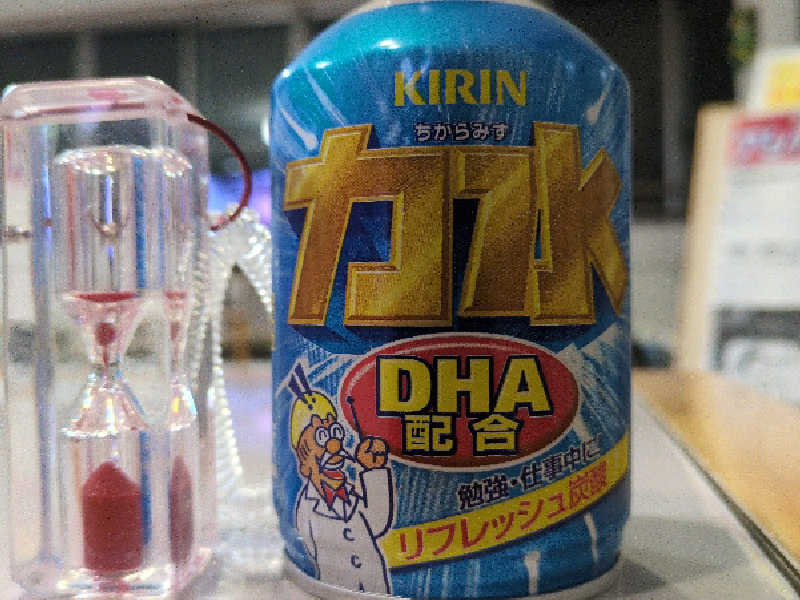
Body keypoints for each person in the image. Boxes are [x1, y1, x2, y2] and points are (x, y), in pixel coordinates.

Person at [289, 365, 394, 594]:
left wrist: (373, 470)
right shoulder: (307, 506)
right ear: (304, 460)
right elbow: (306, 544)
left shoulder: (350, 495)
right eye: (322, 437)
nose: (334, 445)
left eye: (335, 432)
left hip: (377, 585)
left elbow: (377, 523)